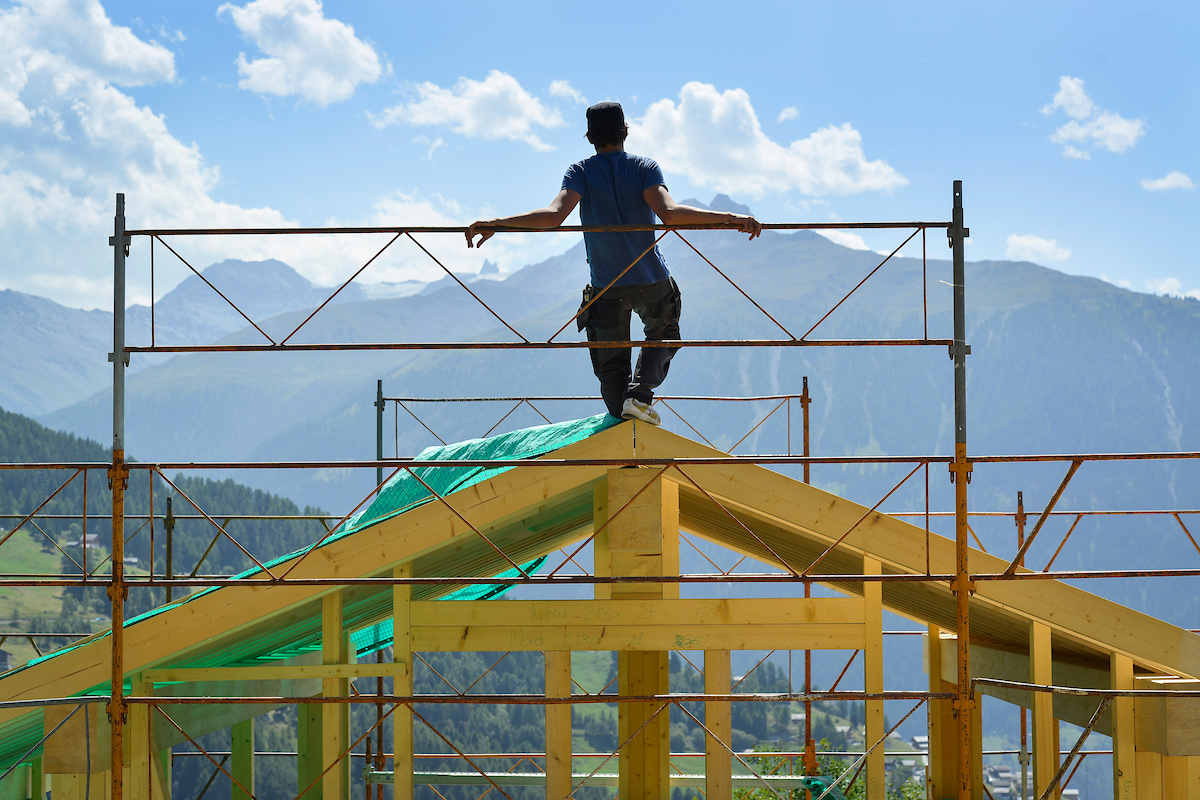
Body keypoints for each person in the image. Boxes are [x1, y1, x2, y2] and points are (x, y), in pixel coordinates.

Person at [466, 101, 761, 425]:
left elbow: (554, 218)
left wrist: (497, 223)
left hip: (607, 285)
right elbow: (671, 214)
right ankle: (639, 396)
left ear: (590, 136)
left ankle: (623, 419)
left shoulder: (580, 172)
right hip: (652, 280)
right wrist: (731, 218)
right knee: (664, 334)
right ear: (625, 131)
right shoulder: (644, 168)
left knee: (610, 364)